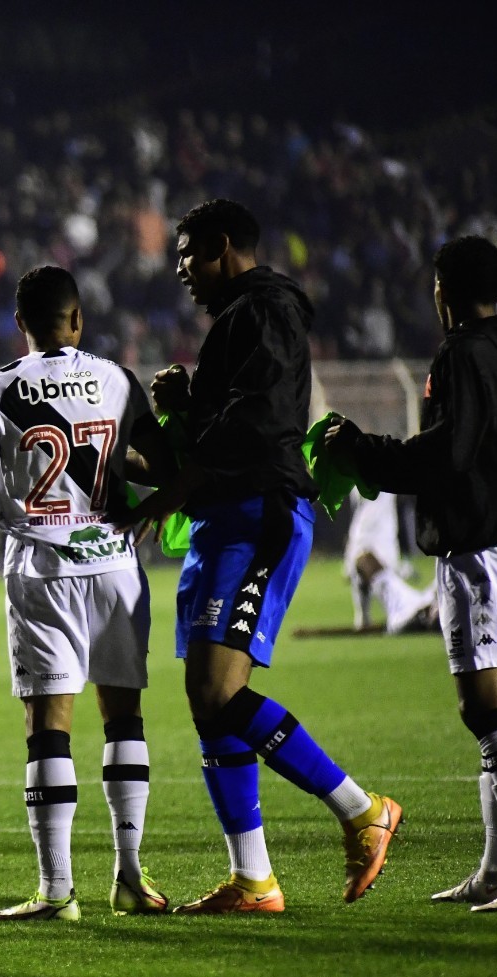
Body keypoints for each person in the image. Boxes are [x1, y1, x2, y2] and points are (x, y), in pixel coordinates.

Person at [119, 199, 400, 913]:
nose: (180, 271)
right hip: (226, 516)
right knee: (208, 701)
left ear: (220, 246)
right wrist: (188, 402)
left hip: (256, 514)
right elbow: (231, 414)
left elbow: (257, 423)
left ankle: (361, 810)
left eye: (186, 255)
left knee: (217, 692)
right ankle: (254, 879)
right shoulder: (241, 318)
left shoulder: (265, 310)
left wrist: (174, 483)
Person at [0, 266, 177, 921]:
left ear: (19, 322)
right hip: (115, 565)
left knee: (49, 728)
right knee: (123, 719)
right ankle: (131, 876)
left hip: (42, 570)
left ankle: (56, 890)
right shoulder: (116, 378)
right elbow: (161, 468)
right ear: (77, 319)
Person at [325, 234, 497, 912]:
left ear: (442, 290)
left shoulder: (461, 354)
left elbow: (446, 453)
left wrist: (361, 450)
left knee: (487, 708)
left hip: (482, 545)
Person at [343, 490, 436, 634]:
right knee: (364, 563)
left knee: (365, 563)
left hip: (408, 610)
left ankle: (362, 620)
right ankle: (362, 619)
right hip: (373, 520)